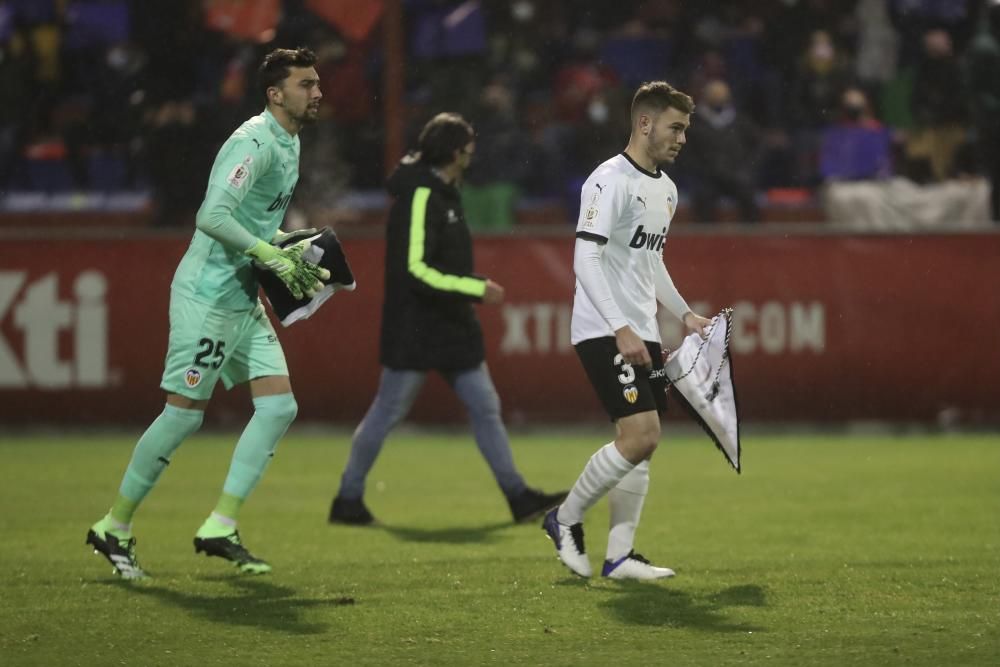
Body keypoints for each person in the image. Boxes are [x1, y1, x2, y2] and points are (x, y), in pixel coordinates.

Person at [86, 47, 329, 579]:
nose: (316, 92)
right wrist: (267, 253)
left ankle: (221, 525)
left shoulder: (290, 141)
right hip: (208, 297)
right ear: (275, 93)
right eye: (306, 84)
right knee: (183, 414)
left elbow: (255, 223)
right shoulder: (253, 142)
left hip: (242, 297)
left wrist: (288, 245)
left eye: (316, 83)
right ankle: (114, 526)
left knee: (279, 408)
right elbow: (211, 215)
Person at [328, 112, 567, 526]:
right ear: (455, 152)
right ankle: (347, 499)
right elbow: (415, 268)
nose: (472, 156)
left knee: (484, 406)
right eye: (468, 149)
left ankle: (518, 496)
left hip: (449, 324)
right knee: (387, 412)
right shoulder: (422, 194)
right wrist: (475, 289)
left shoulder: (440, 190)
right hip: (418, 325)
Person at [542, 81, 713, 580]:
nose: (682, 138)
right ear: (644, 123)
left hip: (642, 329)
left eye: (686, 129)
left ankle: (619, 556)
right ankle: (565, 518)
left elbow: (650, 259)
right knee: (642, 435)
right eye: (675, 127)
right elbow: (585, 255)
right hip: (605, 327)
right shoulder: (608, 179)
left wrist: (684, 314)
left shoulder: (667, 189)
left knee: (639, 440)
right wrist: (619, 327)